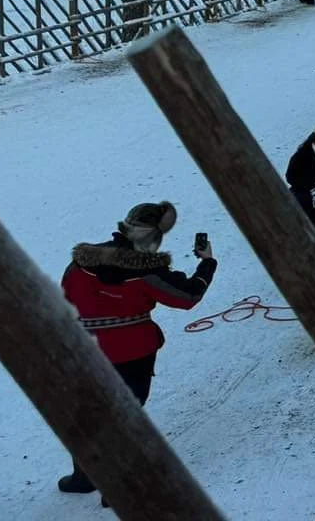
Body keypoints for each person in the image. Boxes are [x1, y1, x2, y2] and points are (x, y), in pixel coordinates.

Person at [57, 201, 216, 496]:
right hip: (133, 351)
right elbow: (188, 295)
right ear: (155, 237)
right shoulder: (149, 271)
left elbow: (65, 297)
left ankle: (85, 477)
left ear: (124, 225)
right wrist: (207, 262)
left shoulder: (80, 262)